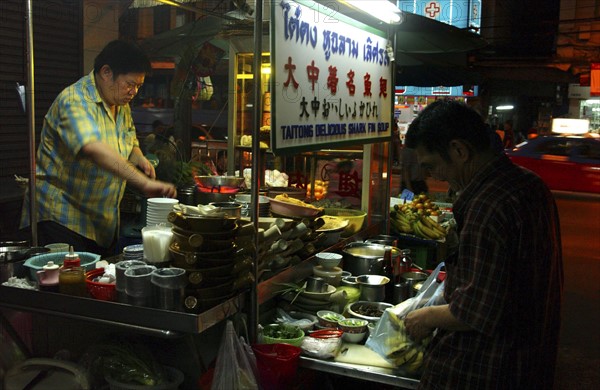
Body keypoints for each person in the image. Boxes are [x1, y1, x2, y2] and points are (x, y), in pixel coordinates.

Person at [403, 100, 563, 389]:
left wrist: (425, 316)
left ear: (459, 151)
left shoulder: (486, 207)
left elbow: (475, 312)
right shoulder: (529, 184)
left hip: (484, 368)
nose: (432, 177)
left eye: (432, 166)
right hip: (529, 360)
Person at [20, 40, 177, 257]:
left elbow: (129, 138)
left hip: (100, 223)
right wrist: (144, 183)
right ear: (106, 72)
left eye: (138, 86)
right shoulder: (75, 101)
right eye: (130, 84)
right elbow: (93, 148)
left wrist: (138, 156)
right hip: (62, 220)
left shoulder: (120, 104)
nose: (134, 92)